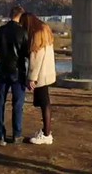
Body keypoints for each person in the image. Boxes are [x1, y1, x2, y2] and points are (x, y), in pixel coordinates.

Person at [0, 5, 29, 146]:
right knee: (18, 104)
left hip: (2, 70)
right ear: (20, 16)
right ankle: (17, 134)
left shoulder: (0, 31)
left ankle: (1, 134)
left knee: (0, 102)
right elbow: (27, 53)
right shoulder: (23, 32)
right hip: (18, 72)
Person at [20, 13, 57, 145]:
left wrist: (31, 78)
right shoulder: (45, 29)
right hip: (48, 71)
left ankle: (47, 134)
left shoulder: (37, 34)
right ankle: (46, 132)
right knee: (45, 102)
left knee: (44, 102)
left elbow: (36, 58)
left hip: (41, 73)